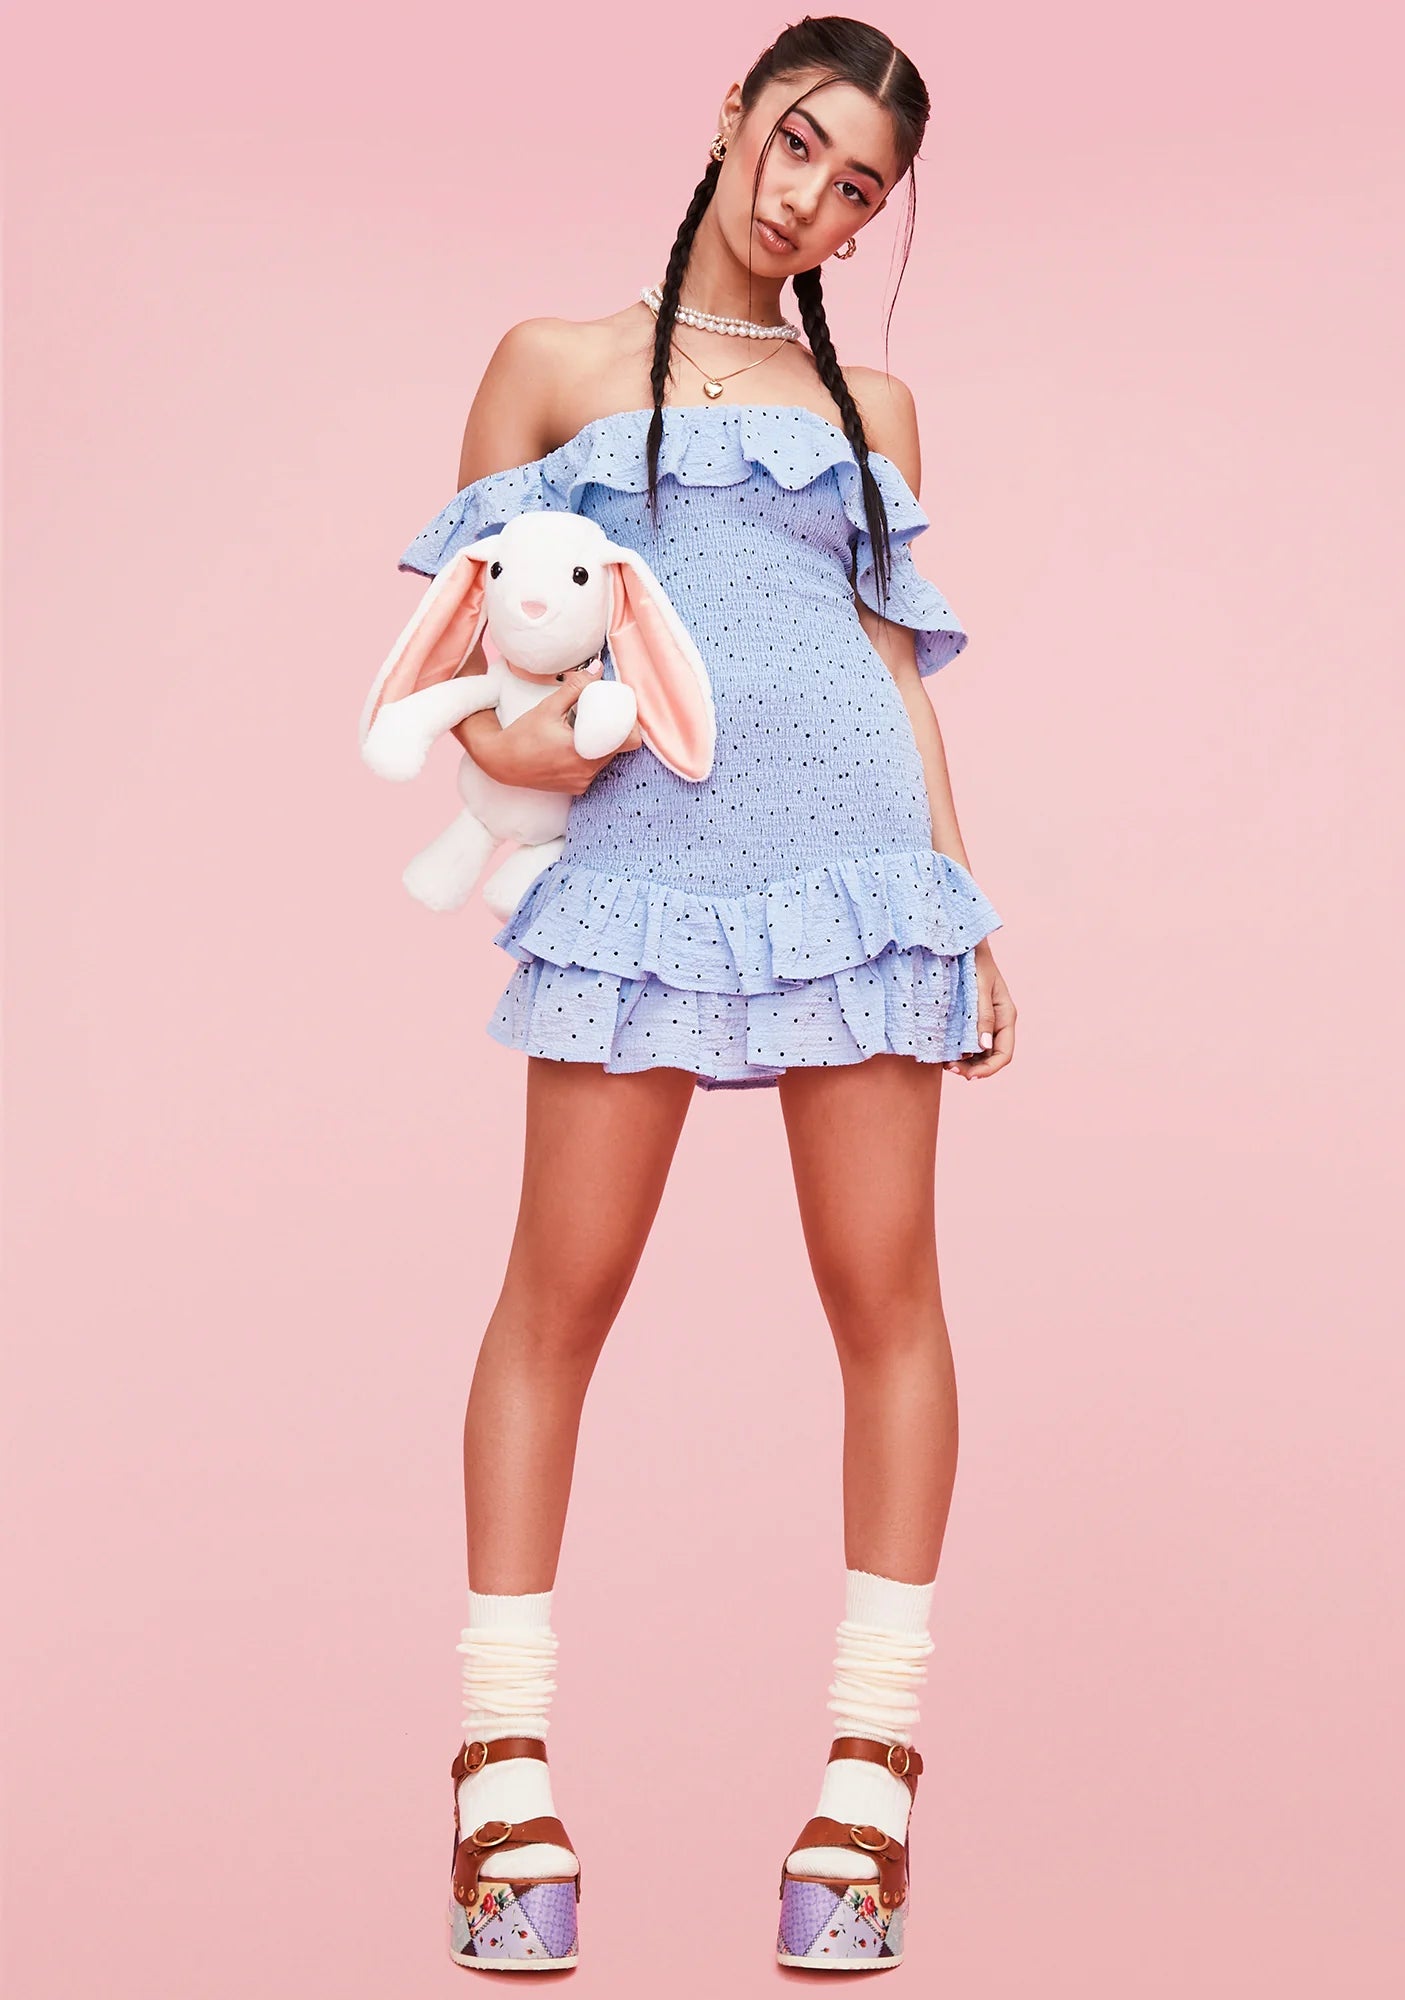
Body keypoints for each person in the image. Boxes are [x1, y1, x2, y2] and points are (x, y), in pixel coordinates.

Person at [392, 17, 1017, 1972]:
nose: (809, 197)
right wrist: (513, 744)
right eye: (799, 141)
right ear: (734, 112)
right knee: (555, 1296)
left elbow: (886, 664)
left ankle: (865, 1793)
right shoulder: (552, 360)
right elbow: (464, 649)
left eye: (857, 188)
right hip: (644, 875)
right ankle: (503, 1780)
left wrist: (962, 895)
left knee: (884, 1296)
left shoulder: (872, 404)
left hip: (857, 875)